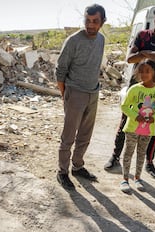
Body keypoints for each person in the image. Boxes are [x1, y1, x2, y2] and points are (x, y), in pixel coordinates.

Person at [104, 4, 155, 179]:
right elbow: (131, 58)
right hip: (137, 85)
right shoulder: (142, 35)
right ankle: (115, 156)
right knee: (126, 120)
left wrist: (144, 53)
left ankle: (149, 163)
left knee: (152, 123)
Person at [55, 4, 107, 190]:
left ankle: (78, 166)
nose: (90, 25)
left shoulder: (101, 39)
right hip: (74, 92)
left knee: (85, 134)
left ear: (102, 22)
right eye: (87, 20)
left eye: (95, 21)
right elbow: (60, 71)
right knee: (68, 136)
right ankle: (62, 172)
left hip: (93, 92)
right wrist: (66, 94)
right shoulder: (73, 40)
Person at [119, 59, 155, 193]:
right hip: (132, 128)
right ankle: (125, 179)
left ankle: (138, 178)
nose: (144, 74)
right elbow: (124, 106)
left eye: (147, 71)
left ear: (154, 72)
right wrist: (135, 116)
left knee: (141, 154)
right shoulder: (134, 89)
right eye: (141, 71)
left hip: (148, 130)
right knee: (128, 153)